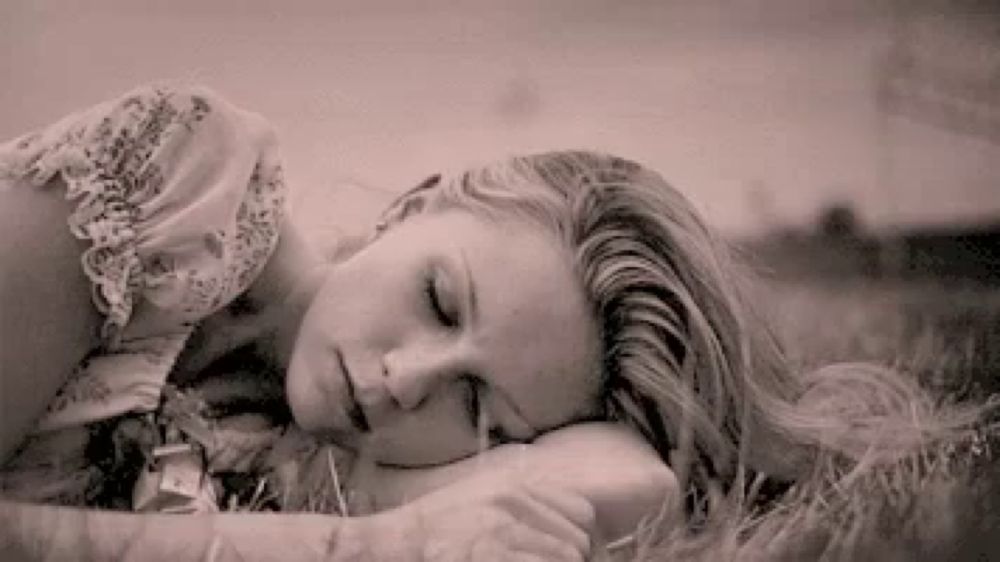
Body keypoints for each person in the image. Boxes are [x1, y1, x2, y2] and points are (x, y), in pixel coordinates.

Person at [0, 83, 989, 561]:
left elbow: (628, 484)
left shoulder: (309, 457)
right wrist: (375, 547)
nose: (406, 380)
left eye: (480, 401)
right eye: (441, 298)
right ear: (412, 204)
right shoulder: (178, 177)